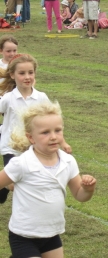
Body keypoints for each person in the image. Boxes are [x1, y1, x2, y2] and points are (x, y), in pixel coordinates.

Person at [0, 100, 96, 257]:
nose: (53, 137)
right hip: (23, 235)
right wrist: (10, 184)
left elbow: (80, 195)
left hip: (51, 234)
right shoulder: (21, 163)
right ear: (31, 137)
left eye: (57, 130)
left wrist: (88, 189)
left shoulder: (68, 161)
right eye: (45, 132)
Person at [0, 54, 72, 204]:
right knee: (13, 183)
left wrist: (63, 143)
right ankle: (5, 187)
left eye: (30, 72)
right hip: (11, 147)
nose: (27, 77)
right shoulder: (8, 98)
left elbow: (52, 124)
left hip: (33, 147)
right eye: (22, 73)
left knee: (30, 179)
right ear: (12, 75)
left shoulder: (41, 97)